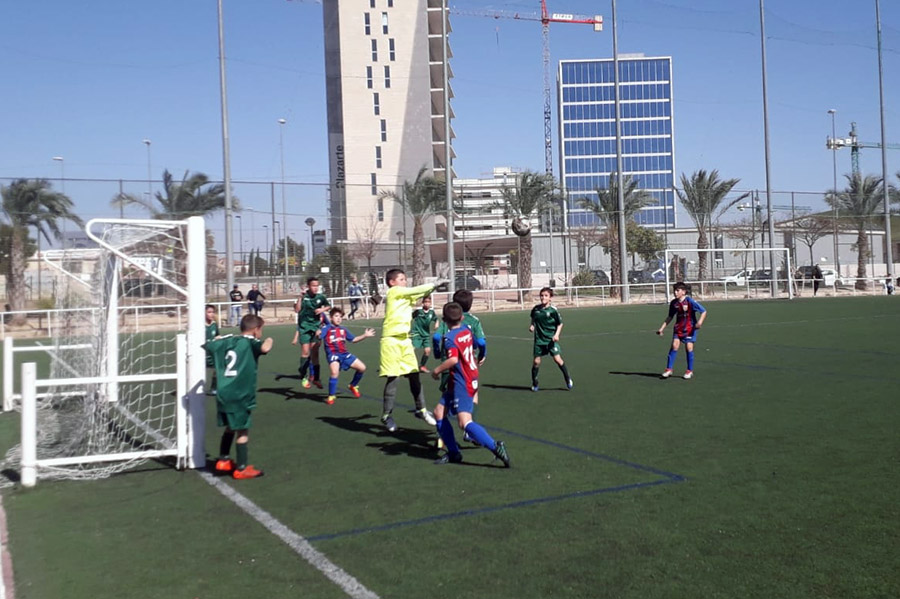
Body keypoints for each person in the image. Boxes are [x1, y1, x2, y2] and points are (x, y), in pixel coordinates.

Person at [430, 302, 510, 467]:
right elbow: (473, 345)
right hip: (468, 376)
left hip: (462, 381)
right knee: (439, 412)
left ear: (444, 320)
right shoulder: (466, 329)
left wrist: (436, 371)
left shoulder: (449, 338)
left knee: (464, 422)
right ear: (462, 317)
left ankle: (495, 446)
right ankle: (453, 453)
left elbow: (452, 359)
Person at [202, 314, 273, 479]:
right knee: (242, 430)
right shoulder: (251, 342)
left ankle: (223, 460)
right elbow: (264, 348)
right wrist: (269, 340)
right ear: (256, 330)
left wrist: (220, 337)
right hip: (240, 394)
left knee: (230, 426)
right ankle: (241, 468)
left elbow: (209, 345)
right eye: (261, 329)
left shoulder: (229, 340)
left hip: (223, 392)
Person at [379, 269, 443, 432]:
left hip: (405, 340)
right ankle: (387, 415)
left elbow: (421, 293)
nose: (404, 281)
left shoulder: (404, 296)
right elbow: (416, 290)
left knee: (414, 375)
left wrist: (437, 284)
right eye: (401, 279)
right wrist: (434, 283)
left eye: (405, 279)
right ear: (392, 282)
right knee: (393, 379)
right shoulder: (394, 292)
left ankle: (421, 409)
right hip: (391, 340)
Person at [320, 307, 376, 405]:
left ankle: (353, 385)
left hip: (344, 354)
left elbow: (353, 340)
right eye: (336, 316)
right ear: (331, 317)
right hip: (333, 355)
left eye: (340, 317)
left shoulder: (343, 329)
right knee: (334, 372)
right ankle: (331, 395)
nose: (338, 318)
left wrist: (365, 335)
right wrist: (318, 333)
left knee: (362, 368)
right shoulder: (327, 328)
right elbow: (320, 335)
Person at [656, 281, 707, 380]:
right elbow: (670, 316)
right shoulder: (674, 303)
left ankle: (689, 370)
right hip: (678, 328)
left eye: (677, 290)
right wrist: (661, 328)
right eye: (674, 290)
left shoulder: (690, 301)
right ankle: (669, 369)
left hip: (689, 329)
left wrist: (700, 322)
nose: (675, 292)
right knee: (674, 346)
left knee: (689, 347)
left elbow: (704, 311)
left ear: (683, 292)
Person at [529, 287, 573, 392]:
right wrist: (532, 325)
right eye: (542, 295)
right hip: (539, 340)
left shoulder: (553, 310)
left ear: (550, 298)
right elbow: (533, 318)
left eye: (546, 296)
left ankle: (567, 379)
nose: (543, 297)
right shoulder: (536, 309)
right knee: (536, 362)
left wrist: (557, 335)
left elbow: (560, 324)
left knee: (557, 360)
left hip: (550, 340)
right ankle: (535, 383)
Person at [292, 277, 331, 390]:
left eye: (317, 285)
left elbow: (328, 306)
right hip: (304, 327)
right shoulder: (304, 297)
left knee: (315, 353)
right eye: (313, 286)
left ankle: (316, 378)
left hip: (316, 328)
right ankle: (304, 376)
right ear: (308, 286)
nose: (315, 288)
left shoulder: (320, 297)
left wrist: (322, 310)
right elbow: (297, 310)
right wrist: (300, 297)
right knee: (305, 352)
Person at [411, 295, 439, 373]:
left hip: (426, 335)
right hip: (417, 333)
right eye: (425, 302)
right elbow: (409, 317)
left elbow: (436, 319)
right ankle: (406, 365)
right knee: (412, 350)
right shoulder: (418, 312)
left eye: (428, 302)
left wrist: (437, 323)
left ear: (430, 303)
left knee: (427, 350)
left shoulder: (431, 312)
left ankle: (422, 366)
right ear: (423, 303)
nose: (427, 304)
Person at [205, 304, 219, 395]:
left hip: (212, 353)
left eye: (213, 312)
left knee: (217, 369)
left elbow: (217, 335)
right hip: (202, 354)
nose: (211, 314)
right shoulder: (199, 326)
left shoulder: (214, 324)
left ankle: (214, 388)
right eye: (209, 312)